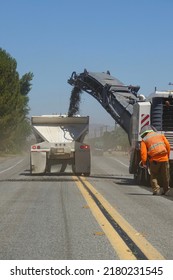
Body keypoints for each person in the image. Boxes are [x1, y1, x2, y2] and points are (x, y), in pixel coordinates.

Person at [140, 125, 170, 195]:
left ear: (143, 133)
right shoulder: (160, 135)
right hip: (164, 158)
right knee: (165, 175)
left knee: (153, 175)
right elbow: (167, 145)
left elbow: (143, 153)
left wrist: (144, 163)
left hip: (154, 161)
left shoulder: (144, 140)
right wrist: (167, 156)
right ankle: (166, 190)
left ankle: (156, 189)